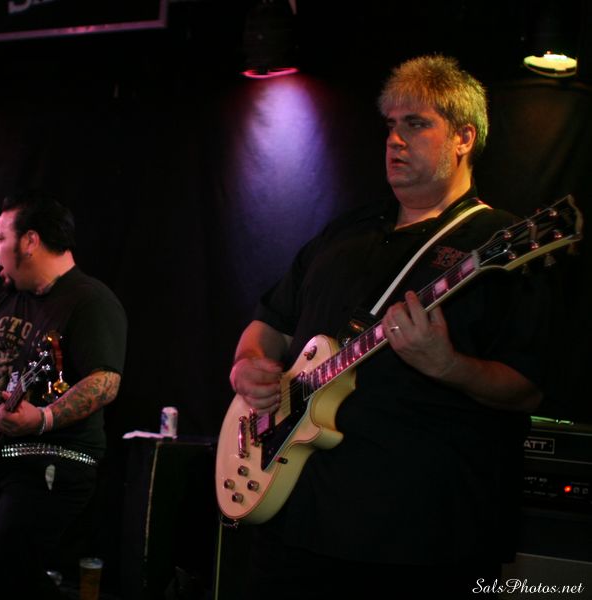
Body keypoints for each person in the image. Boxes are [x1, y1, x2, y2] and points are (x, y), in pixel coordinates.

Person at [229, 55, 546, 598]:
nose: (395, 139)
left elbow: (529, 386)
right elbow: (268, 326)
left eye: (416, 124)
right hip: (294, 517)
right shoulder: (344, 231)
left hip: (419, 539)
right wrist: (246, 367)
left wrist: (448, 366)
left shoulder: (502, 242)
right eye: (391, 125)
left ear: (464, 138)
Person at [0, 192, 127, 599]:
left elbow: (105, 381)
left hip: (54, 460)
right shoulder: (8, 299)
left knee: (1, 571)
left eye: (1, 237)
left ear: (30, 241)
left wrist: (42, 418)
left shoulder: (90, 300)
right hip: (0, 459)